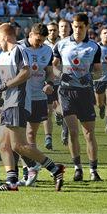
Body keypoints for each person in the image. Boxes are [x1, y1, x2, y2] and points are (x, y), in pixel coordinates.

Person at [0, 23, 65, 191]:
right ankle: (12, 182)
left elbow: (25, 73)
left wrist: (4, 86)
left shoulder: (19, 50)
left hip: (19, 101)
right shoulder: (4, 55)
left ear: (5, 37)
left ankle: (55, 169)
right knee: (3, 144)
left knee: (18, 145)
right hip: (8, 103)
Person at [52, 13, 103, 181]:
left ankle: (93, 170)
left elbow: (98, 71)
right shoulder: (61, 45)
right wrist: (60, 75)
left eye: (81, 27)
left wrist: (89, 77)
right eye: (75, 27)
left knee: (88, 133)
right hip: (66, 92)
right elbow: (53, 68)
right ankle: (77, 168)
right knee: (73, 132)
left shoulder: (94, 47)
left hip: (85, 93)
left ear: (87, 27)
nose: (77, 30)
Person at [17, 23, 55, 186]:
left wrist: (49, 83)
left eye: (42, 41)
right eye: (37, 40)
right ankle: (28, 170)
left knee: (31, 135)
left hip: (38, 97)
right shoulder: (19, 48)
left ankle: (31, 174)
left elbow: (49, 71)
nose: (39, 44)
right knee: (18, 137)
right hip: (20, 97)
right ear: (30, 34)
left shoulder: (47, 50)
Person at [43, 22, 60, 150]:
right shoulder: (43, 45)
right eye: (50, 30)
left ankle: (60, 115)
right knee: (48, 110)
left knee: (63, 109)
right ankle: (48, 137)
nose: (52, 32)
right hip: (47, 81)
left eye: (54, 30)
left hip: (61, 81)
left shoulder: (64, 44)